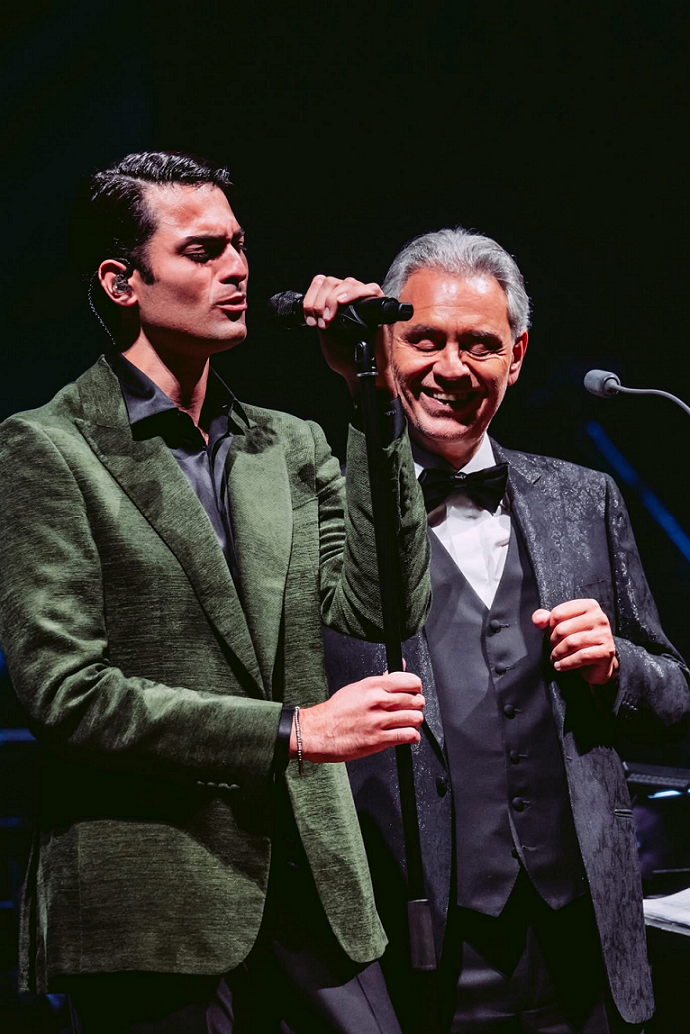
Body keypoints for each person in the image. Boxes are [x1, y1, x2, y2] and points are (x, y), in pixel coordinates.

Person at [0, 151, 432, 1033]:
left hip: (312, 884)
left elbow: (384, 608)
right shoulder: (47, 449)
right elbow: (67, 694)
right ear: (121, 281)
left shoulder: (290, 444)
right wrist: (293, 731)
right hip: (151, 903)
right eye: (202, 251)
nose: (237, 268)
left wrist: (372, 399)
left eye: (238, 245)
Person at [322, 226, 690, 1033]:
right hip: (412, 946)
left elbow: (675, 692)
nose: (452, 368)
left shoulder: (581, 499)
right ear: (384, 348)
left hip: (581, 936)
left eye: (480, 344)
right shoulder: (325, 507)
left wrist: (617, 666)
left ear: (516, 357)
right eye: (425, 340)